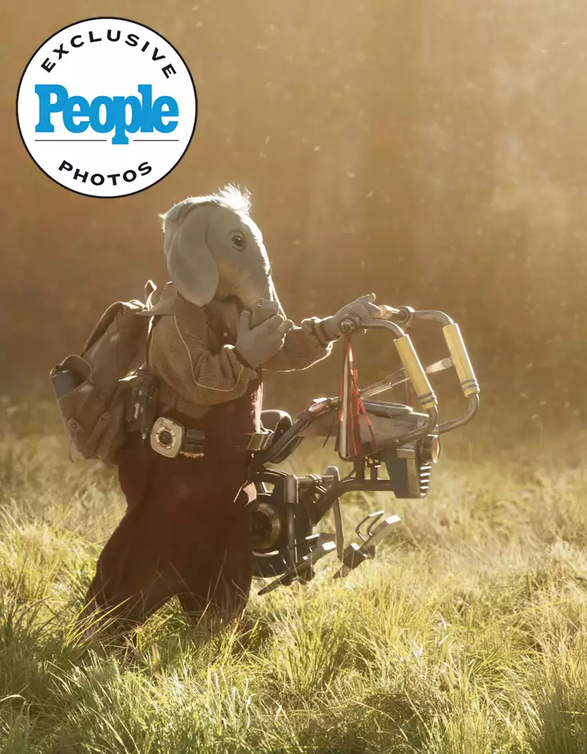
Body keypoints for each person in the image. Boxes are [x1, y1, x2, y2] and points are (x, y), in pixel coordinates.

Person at [80, 186, 385, 639]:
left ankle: (214, 635)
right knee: (151, 548)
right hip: (177, 471)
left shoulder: (233, 308)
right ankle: (100, 634)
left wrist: (328, 328)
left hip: (229, 470)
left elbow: (279, 346)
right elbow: (199, 384)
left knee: (225, 556)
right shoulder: (173, 320)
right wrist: (242, 357)